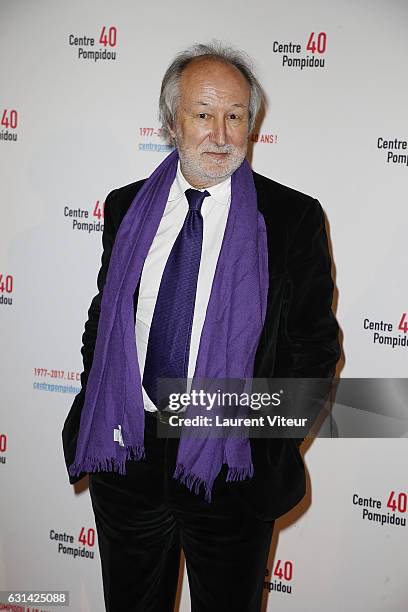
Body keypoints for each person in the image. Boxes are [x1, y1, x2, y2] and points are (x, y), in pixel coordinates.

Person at [62, 41, 340, 612]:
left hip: (231, 464)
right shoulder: (125, 208)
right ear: (172, 121)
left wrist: (261, 443)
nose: (221, 133)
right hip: (127, 453)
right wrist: (100, 394)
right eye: (204, 114)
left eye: (236, 115)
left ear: (252, 122)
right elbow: (104, 319)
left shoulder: (291, 218)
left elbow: (313, 351)